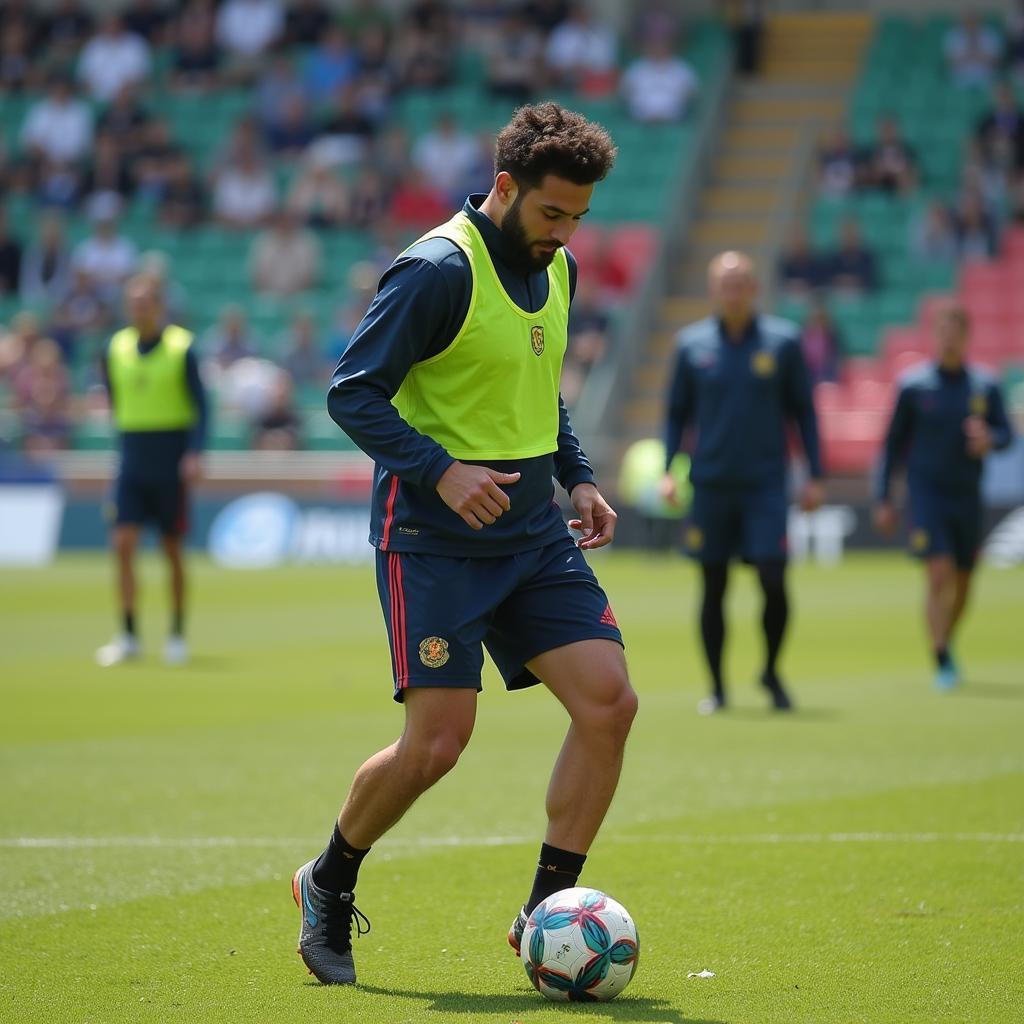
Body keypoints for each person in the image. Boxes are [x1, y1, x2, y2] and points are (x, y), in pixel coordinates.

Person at [297, 102, 634, 987]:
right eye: (553, 214)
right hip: (433, 539)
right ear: (506, 186)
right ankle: (328, 882)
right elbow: (353, 394)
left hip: (532, 534)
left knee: (609, 704)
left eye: (579, 220)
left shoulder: (553, 269)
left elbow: (538, 387)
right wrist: (442, 469)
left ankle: (541, 917)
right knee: (438, 746)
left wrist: (581, 475)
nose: (564, 235)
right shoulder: (435, 269)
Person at [660, 251, 824, 715]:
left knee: (773, 577)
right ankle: (717, 687)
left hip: (765, 486)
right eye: (725, 284)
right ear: (714, 290)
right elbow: (677, 414)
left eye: (741, 283)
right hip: (710, 484)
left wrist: (814, 474)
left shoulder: (783, 343)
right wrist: (669, 470)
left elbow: (804, 413)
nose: (733, 291)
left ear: (754, 288)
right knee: (713, 585)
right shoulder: (691, 346)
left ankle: (771, 670)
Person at [873, 299, 1013, 690]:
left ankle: (946, 641)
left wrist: (990, 438)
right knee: (939, 573)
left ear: (967, 336)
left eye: (957, 333)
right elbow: (891, 446)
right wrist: (884, 498)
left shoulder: (984, 385)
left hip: (967, 493)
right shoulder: (914, 386)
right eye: (943, 332)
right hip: (927, 494)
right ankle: (941, 656)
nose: (950, 340)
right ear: (934, 336)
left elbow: (1006, 435)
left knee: (966, 582)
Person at [95, 273, 207, 668]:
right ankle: (127, 634)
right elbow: (114, 399)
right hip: (131, 458)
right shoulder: (116, 347)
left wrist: (194, 453)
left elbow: (200, 405)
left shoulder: (182, 347)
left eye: (146, 303)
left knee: (171, 549)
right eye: (134, 303)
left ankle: (176, 634)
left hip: (169, 458)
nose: (139, 310)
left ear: (159, 306)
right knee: (122, 544)